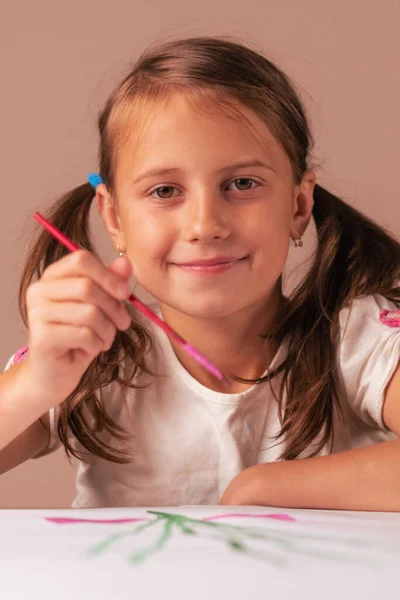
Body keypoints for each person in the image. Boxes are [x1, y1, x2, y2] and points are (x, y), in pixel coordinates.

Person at [1, 36, 399, 510]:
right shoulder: (97, 356)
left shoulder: (355, 338)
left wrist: (261, 488)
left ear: (298, 205)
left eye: (242, 184)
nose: (205, 225)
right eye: (165, 191)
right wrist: (40, 380)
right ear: (114, 219)